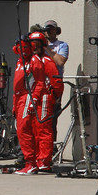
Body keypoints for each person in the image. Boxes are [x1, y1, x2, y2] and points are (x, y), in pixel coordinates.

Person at [27, 31, 63, 172]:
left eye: (36, 44)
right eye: (32, 45)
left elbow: (57, 81)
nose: (34, 47)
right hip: (34, 98)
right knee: (34, 129)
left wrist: (53, 96)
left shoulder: (47, 61)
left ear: (43, 45)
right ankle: (37, 158)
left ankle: (44, 160)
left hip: (45, 98)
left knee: (44, 130)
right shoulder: (31, 60)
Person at [12, 37, 35, 173]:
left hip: (27, 95)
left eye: (24, 47)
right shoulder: (19, 61)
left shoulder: (33, 60)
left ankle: (31, 163)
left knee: (24, 129)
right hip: (18, 97)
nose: (21, 50)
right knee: (20, 129)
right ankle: (29, 161)